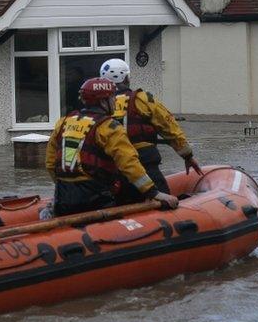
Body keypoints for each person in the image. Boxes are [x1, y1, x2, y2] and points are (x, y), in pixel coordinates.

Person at [45, 77, 179, 216]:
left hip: (63, 195)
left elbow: (50, 162)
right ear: (103, 102)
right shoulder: (110, 127)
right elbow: (129, 164)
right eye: (112, 98)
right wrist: (154, 192)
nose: (115, 102)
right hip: (95, 197)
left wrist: (63, 185)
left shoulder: (63, 123)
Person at [99, 58, 202, 202]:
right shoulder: (141, 99)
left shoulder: (100, 106)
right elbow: (169, 127)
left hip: (115, 166)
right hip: (145, 162)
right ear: (127, 78)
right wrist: (188, 156)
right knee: (165, 202)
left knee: (122, 203)